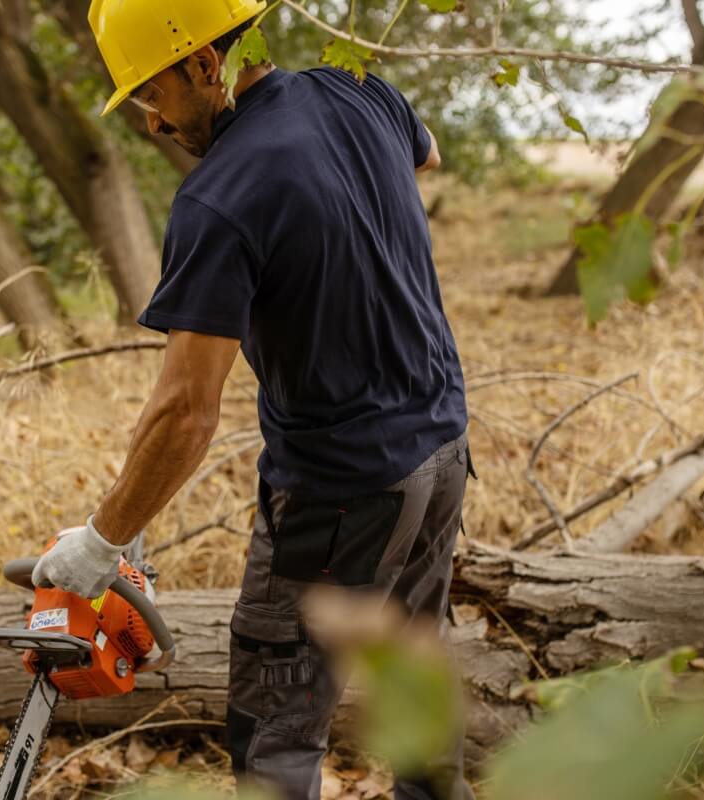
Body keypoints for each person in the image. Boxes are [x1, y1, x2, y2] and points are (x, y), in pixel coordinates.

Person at [32, 0, 474, 797]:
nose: (154, 124)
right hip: (442, 448)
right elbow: (427, 154)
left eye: (154, 93)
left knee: (277, 731)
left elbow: (186, 412)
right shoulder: (356, 89)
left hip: (339, 493)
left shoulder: (220, 198)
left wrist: (103, 540)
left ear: (205, 64)